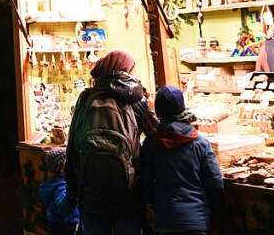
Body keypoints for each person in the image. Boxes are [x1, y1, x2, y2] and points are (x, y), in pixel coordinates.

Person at [65, 50, 158, 235]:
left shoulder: (86, 98)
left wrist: (73, 191)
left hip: (91, 190)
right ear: (125, 71)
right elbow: (157, 136)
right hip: (127, 190)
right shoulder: (135, 99)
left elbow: (72, 147)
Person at [139, 86, 223, 235]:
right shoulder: (200, 142)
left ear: (158, 111)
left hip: (165, 220)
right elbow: (215, 183)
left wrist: (152, 208)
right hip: (196, 219)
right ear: (182, 107)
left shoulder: (151, 144)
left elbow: (146, 183)